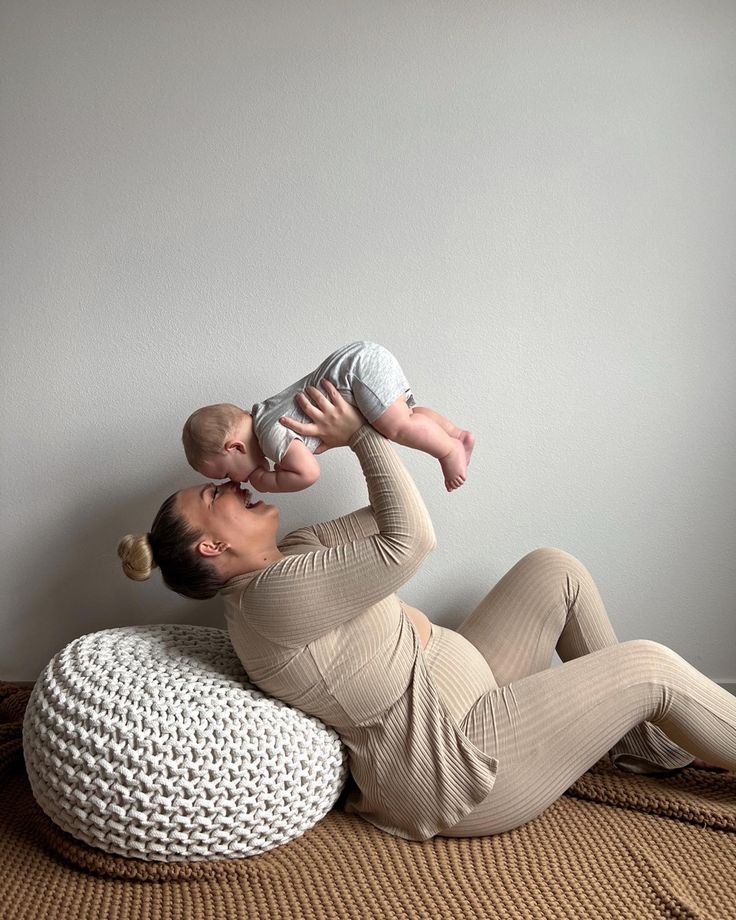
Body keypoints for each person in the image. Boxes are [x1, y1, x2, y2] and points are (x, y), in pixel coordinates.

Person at [119, 381, 736, 841]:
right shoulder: (271, 600)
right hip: (464, 763)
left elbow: (389, 517)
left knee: (555, 570)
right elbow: (411, 542)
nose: (235, 486)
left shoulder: (296, 555)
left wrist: (325, 440)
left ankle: (643, 747)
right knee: (649, 667)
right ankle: (667, 720)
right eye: (215, 493)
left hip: (468, 691)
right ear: (211, 546)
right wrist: (360, 437)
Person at [181, 340, 474, 493]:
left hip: (355, 372)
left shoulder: (270, 436)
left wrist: (267, 480)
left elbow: (308, 473)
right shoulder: (265, 413)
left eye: (227, 474)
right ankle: (455, 434)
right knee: (405, 417)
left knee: (399, 427)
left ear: (235, 447)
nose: (237, 482)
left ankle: (448, 450)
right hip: (358, 364)